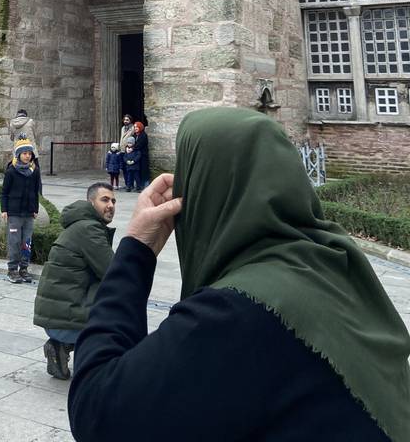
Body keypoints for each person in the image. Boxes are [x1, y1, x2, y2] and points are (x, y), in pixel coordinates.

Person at [69, 107, 410, 442]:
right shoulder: (332, 264)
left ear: (210, 189)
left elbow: (98, 411)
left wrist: (135, 249)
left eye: (188, 174)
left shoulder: (239, 312)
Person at [33, 182, 116, 381]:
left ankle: (59, 347)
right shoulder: (89, 229)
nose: (111, 205)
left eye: (113, 200)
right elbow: (112, 271)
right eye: (104, 200)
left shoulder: (80, 225)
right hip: (64, 321)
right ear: (90, 203)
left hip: (56, 317)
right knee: (117, 306)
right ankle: (89, 370)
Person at [1, 138, 41, 284]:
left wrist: (35, 209)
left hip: (28, 213)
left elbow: (36, 191)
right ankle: (12, 269)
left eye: (29, 153)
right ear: (18, 155)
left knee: (26, 242)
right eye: (24, 153)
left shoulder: (34, 171)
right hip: (14, 212)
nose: (27, 156)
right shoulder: (11, 171)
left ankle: (24, 268)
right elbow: (4, 192)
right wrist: (4, 209)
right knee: (14, 241)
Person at [133, 119, 150, 189]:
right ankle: (139, 185)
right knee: (138, 170)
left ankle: (145, 185)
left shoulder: (143, 135)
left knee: (144, 170)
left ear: (140, 127)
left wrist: (132, 148)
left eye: (137, 127)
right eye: (134, 127)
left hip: (143, 156)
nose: (135, 128)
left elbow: (139, 145)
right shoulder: (134, 135)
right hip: (137, 155)